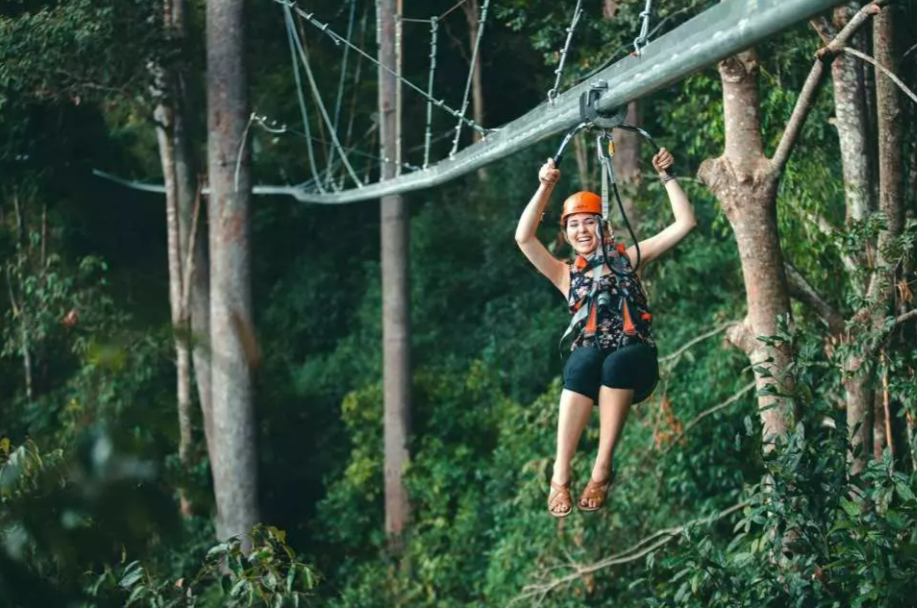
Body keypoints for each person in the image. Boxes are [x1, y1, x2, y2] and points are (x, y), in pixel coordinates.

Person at [514, 148, 696, 517]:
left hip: (635, 362)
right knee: (583, 360)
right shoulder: (566, 274)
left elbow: (684, 223)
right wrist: (545, 187)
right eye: (574, 225)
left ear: (605, 227)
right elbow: (523, 238)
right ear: (565, 234)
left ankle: (601, 469)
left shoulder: (629, 260)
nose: (582, 230)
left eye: (589, 222)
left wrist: (668, 177)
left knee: (618, 361)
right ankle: (560, 476)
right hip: (592, 364)